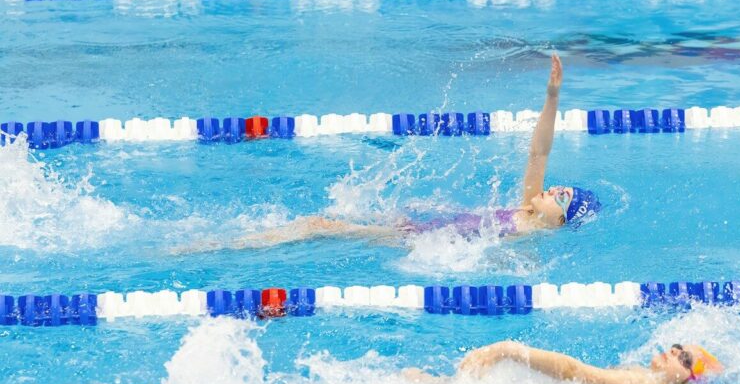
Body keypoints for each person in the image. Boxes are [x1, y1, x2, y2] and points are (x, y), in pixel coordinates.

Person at [222, 54, 600, 251]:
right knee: (322, 224)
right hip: (419, 229)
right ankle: (234, 242)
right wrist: (552, 96)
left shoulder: (526, 235)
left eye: (561, 196)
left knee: (319, 227)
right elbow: (539, 152)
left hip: (414, 239)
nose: (551, 189)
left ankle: (221, 246)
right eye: (557, 188)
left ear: (562, 223)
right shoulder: (524, 210)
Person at [403, 341, 724, 384]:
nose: (674, 352)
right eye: (679, 347)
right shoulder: (645, 378)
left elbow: (575, 372)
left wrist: (508, 350)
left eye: (684, 360)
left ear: (688, 380)